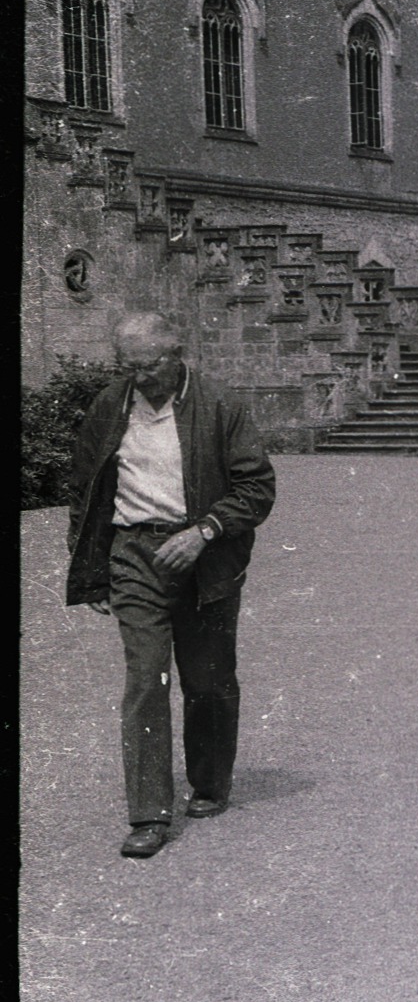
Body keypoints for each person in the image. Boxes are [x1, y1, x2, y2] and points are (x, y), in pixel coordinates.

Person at [65, 312, 277, 859]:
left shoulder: (220, 404)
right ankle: (149, 814)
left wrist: (204, 531)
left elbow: (257, 488)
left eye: (149, 365)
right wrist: (92, 571)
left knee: (207, 681)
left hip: (204, 557)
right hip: (134, 554)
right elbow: (86, 488)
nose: (139, 377)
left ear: (176, 353)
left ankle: (209, 782)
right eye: (128, 366)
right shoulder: (111, 405)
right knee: (146, 679)